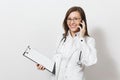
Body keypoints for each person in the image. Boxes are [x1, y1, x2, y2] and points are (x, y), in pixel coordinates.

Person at [36, 6, 97, 80]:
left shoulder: (88, 41)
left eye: (75, 19)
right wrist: (44, 65)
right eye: (69, 19)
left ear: (82, 21)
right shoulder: (61, 39)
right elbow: (56, 62)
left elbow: (90, 61)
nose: (72, 22)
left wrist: (81, 38)